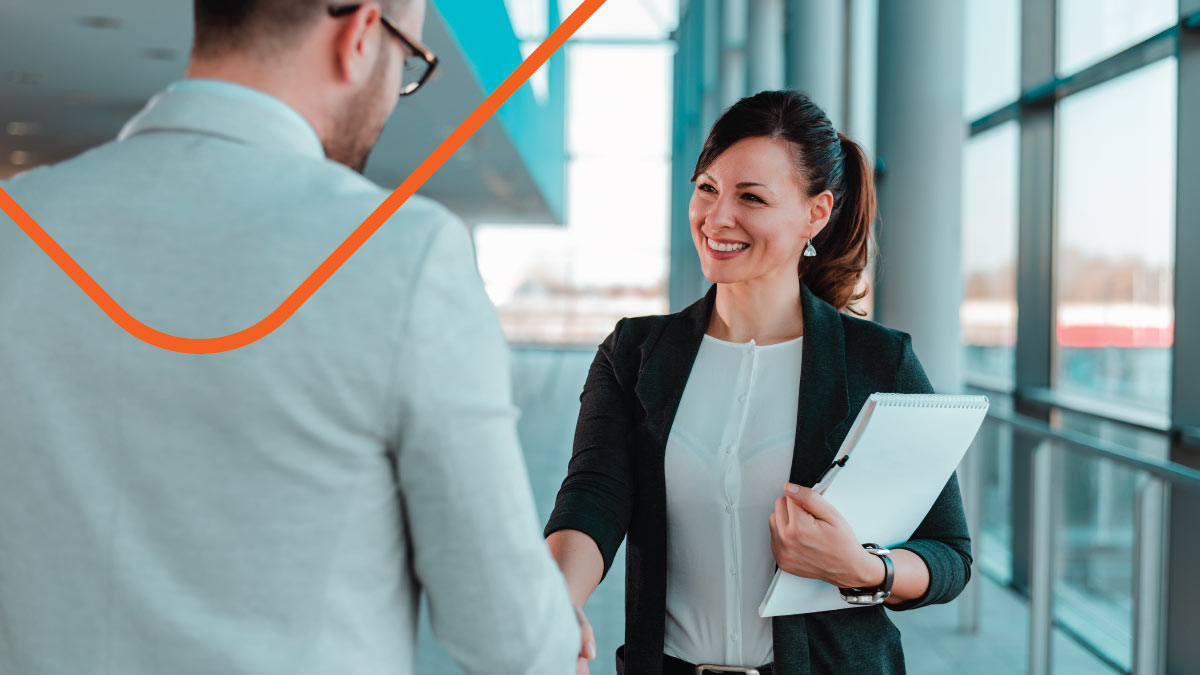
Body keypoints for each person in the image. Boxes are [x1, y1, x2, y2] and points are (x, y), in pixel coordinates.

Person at [0, 2, 581, 673]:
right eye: (407, 65)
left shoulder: (17, 229)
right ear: (361, 35)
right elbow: (511, 642)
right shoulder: (406, 255)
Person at [544, 90, 972, 674]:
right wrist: (556, 604)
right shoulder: (636, 353)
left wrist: (863, 568)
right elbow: (592, 497)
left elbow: (949, 554)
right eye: (708, 188)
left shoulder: (878, 362)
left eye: (752, 197)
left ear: (815, 214)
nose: (719, 217)